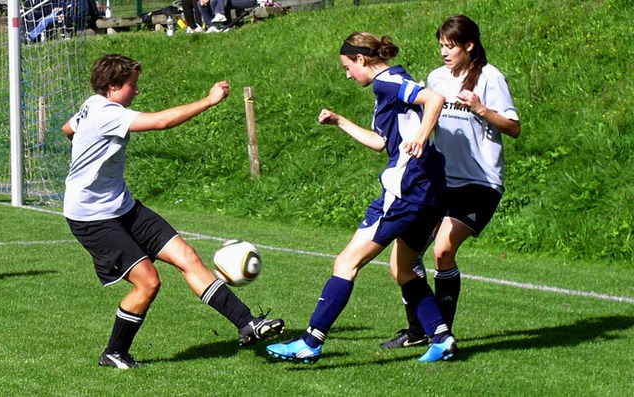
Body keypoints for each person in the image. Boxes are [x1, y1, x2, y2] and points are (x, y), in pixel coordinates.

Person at [62, 54, 285, 369]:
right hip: (91, 218)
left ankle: (245, 323)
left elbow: (67, 128)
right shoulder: (106, 114)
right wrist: (208, 101)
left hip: (122, 206)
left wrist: (84, 148)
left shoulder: (92, 105)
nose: (137, 91)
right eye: (132, 85)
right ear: (112, 86)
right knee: (148, 282)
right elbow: (162, 121)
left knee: (187, 257)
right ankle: (114, 353)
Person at [266, 32, 456, 364]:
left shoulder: (388, 83)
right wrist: (340, 121)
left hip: (406, 189)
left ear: (361, 59)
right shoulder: (395, 79)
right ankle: (442, 339)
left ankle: (310, 342)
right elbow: (380, 142)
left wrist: (421, 139)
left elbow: (434, 100)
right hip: (431, 192)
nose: (347, 74)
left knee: (345, 263)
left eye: (347, 67)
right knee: (404, 270)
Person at [380, 15, 521, 349]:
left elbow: (513, 128)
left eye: (451, 46)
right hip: (439, 180)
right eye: (441, 45)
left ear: (468, 45)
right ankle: (418, 332)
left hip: (479, 182)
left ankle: (440, 334)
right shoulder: (436, 78)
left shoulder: (490, 77)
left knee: (443, 249)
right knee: (405, 256)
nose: (444, 52)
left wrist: (481, 109)